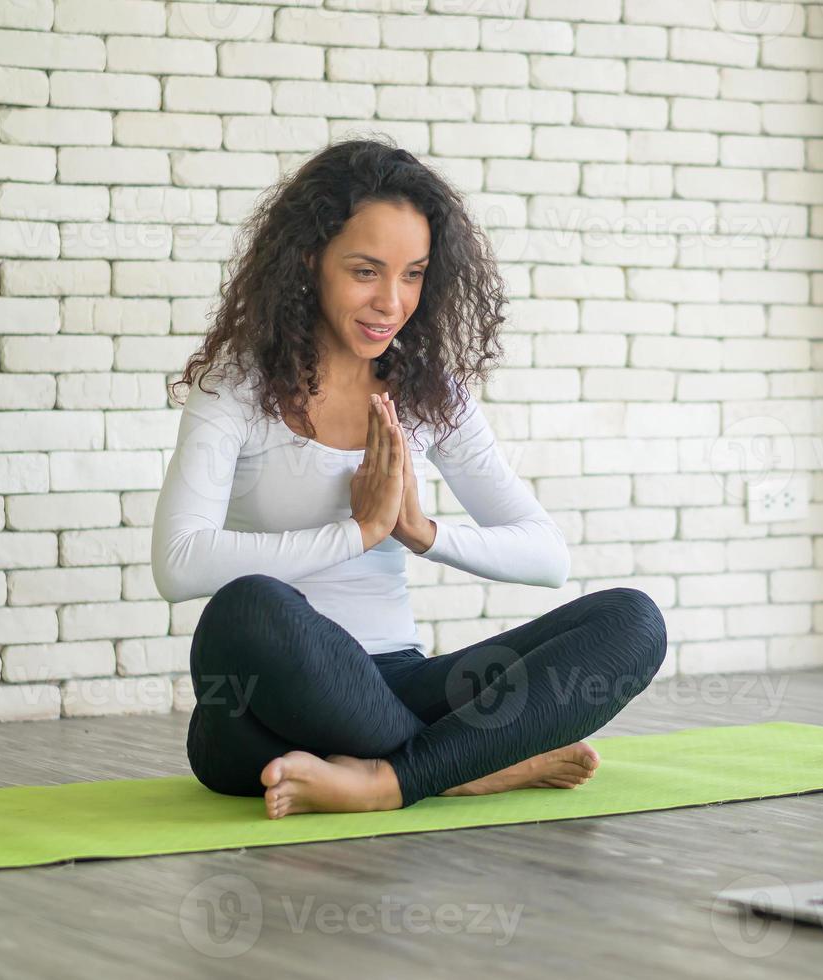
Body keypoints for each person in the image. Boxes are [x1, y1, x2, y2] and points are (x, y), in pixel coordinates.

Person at [152, 138, 668, 818]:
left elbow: (546, 557)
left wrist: (420, 532)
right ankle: (462, 769)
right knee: (248, 608)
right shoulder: (236, 389)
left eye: (413, 274)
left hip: (394, 685)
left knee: (632, 621)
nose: (391, 303)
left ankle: (387, 780)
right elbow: (178, 565)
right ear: (309, 261)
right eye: (365, 272)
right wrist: (357, 532)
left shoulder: (430, 395)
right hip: (261, 708)